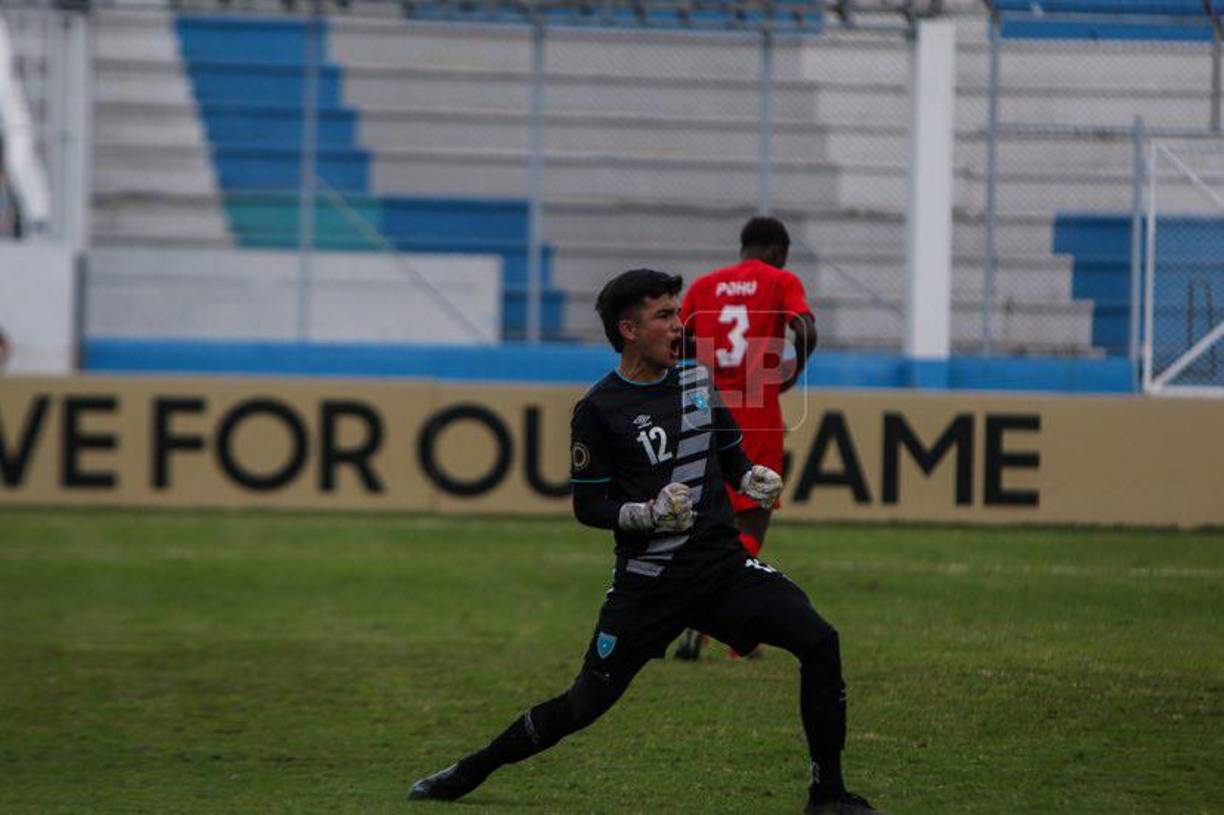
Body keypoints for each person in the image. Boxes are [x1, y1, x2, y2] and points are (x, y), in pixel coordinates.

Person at [408, 269, 881, 815]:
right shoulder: (598, 409)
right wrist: (645, 513)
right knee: (583, 704)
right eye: (664, 316)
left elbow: (732, 459)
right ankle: (470, 771)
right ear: (629, 329)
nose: (679, 326)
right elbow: (589, 507)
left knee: (819, 641)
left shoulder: (696, 384)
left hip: (723, 571)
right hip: (651, 586)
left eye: (678, 313)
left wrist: (753, 478)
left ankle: (828, 796)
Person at [672, 216, 818, 661]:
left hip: (706, 415)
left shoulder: (704, 286)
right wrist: (791, 373)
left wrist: (696, 380)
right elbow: (806, 329)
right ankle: (716, 624)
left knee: (708, 523)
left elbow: (673, 340)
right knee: (750, 524)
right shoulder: (781, 280)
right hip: (756, 417)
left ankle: (731, 630)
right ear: (776, 252)